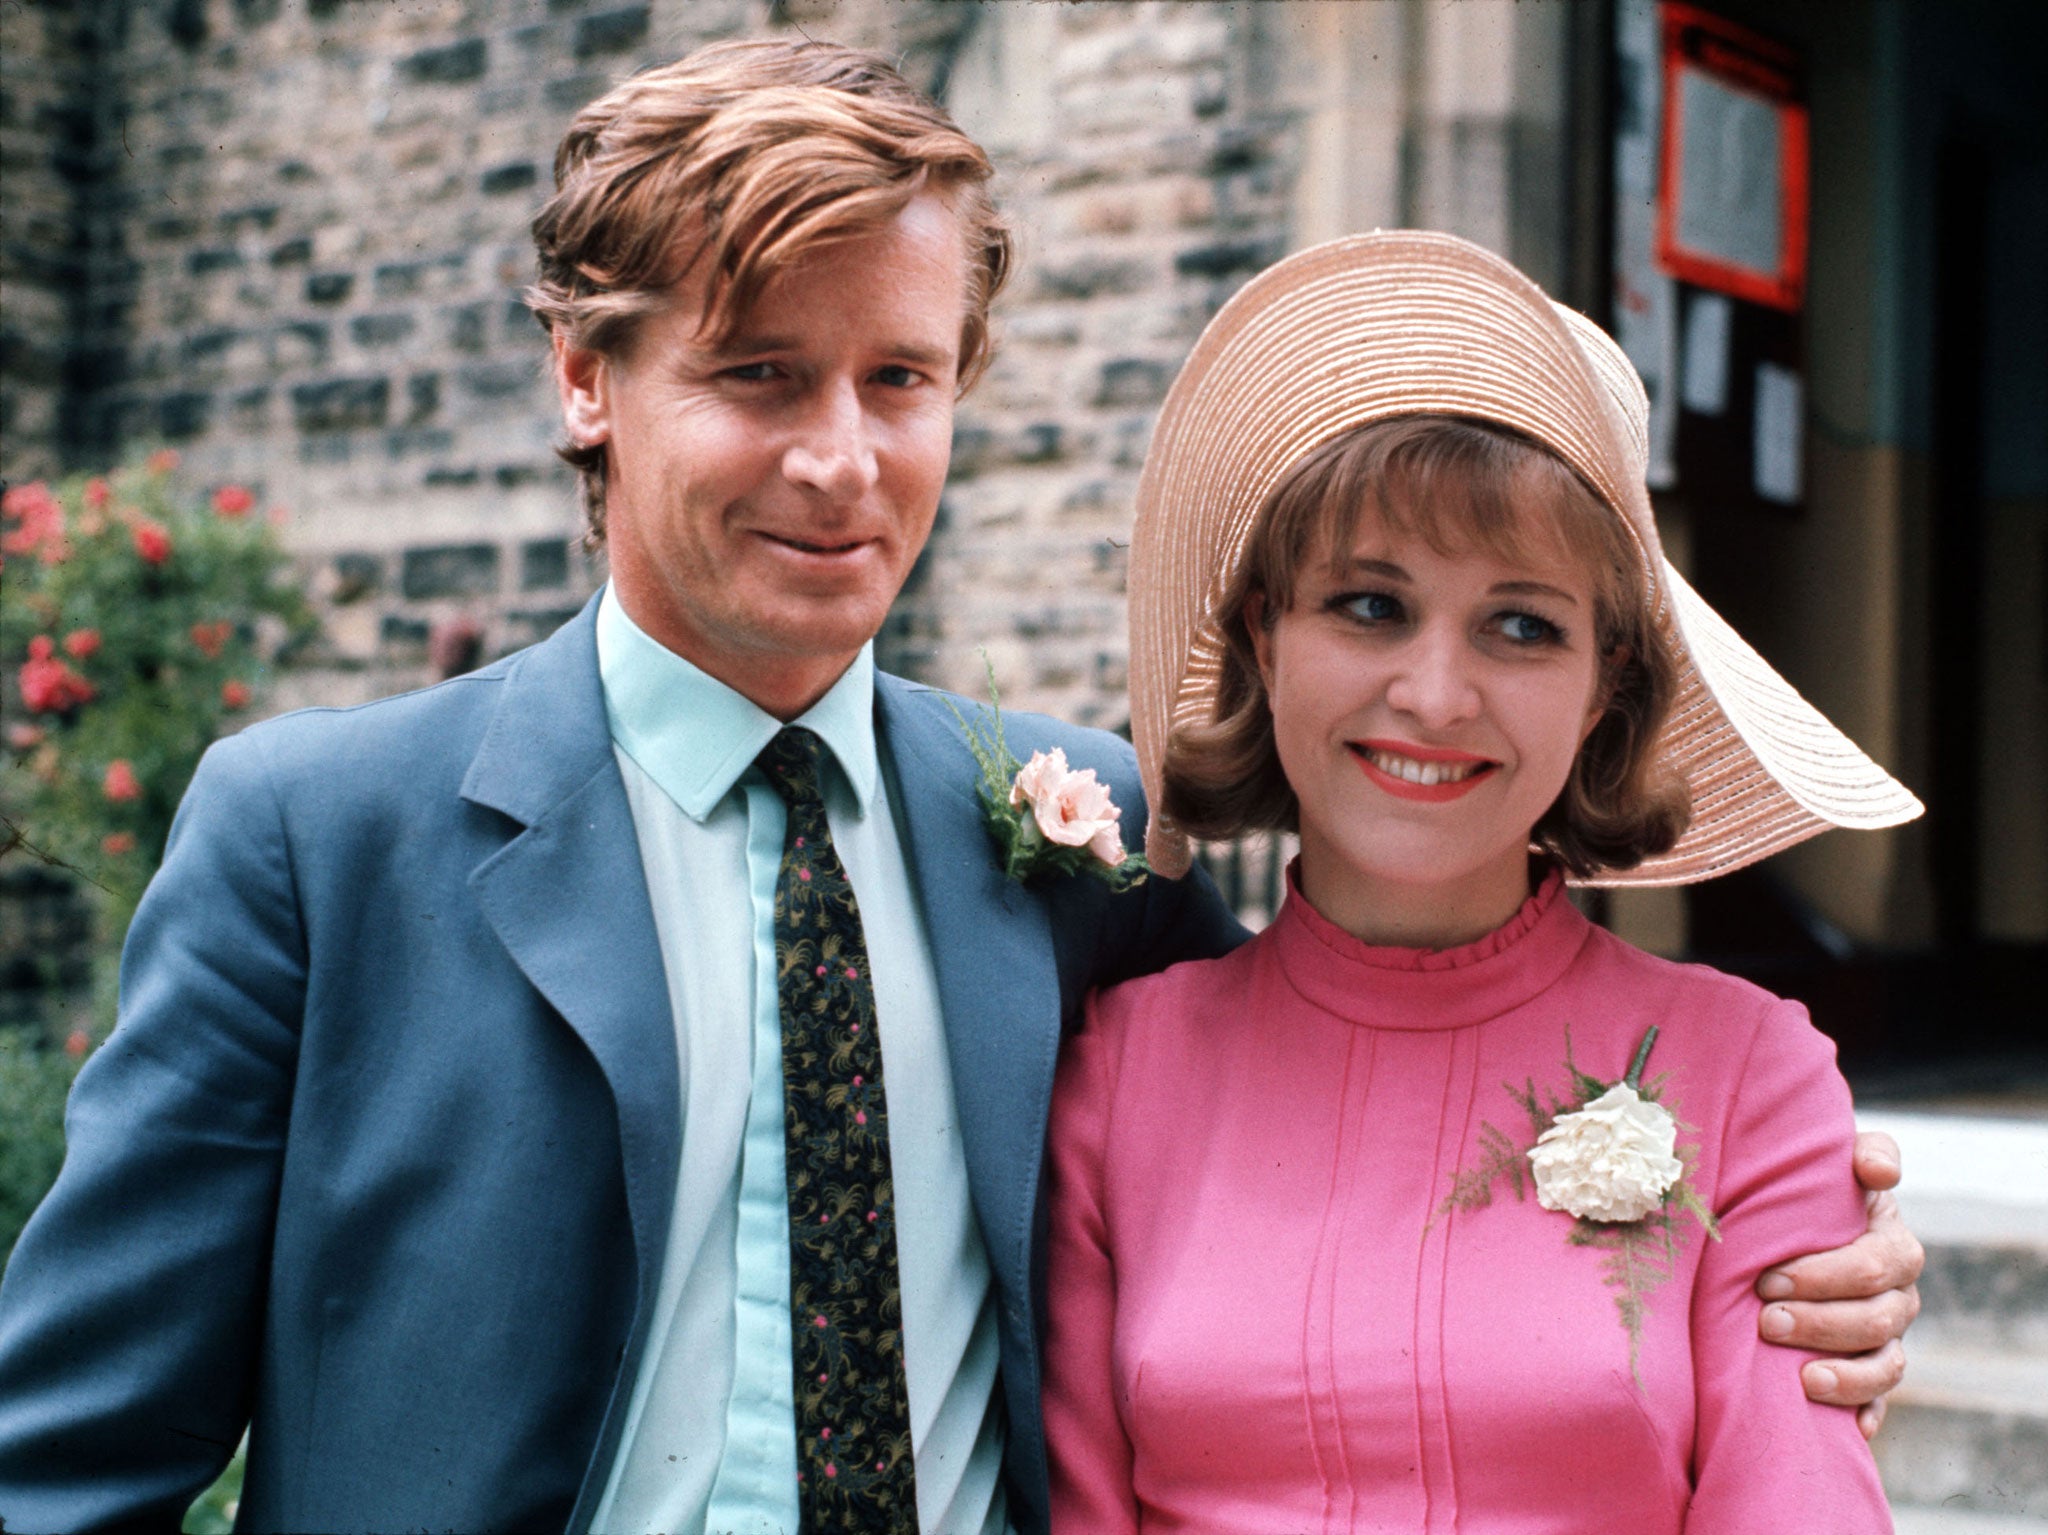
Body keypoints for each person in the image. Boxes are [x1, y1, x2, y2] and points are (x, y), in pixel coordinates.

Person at [0, 45, 1917, 1535]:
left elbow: (1369, 1087)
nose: (842, 464)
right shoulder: (314, 842)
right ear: (588, 374)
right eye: (760, 375)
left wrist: (1772, 1249)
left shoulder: (1074, 835)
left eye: (900, 381)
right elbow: (69, 1459)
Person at [1042, 230, 1922, 1531]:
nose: (1436, 695)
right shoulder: (1114, 1080)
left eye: (1522, 625)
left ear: (1604, 683)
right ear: (1261, 636)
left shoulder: (1753, 1078)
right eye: (1369, 605)